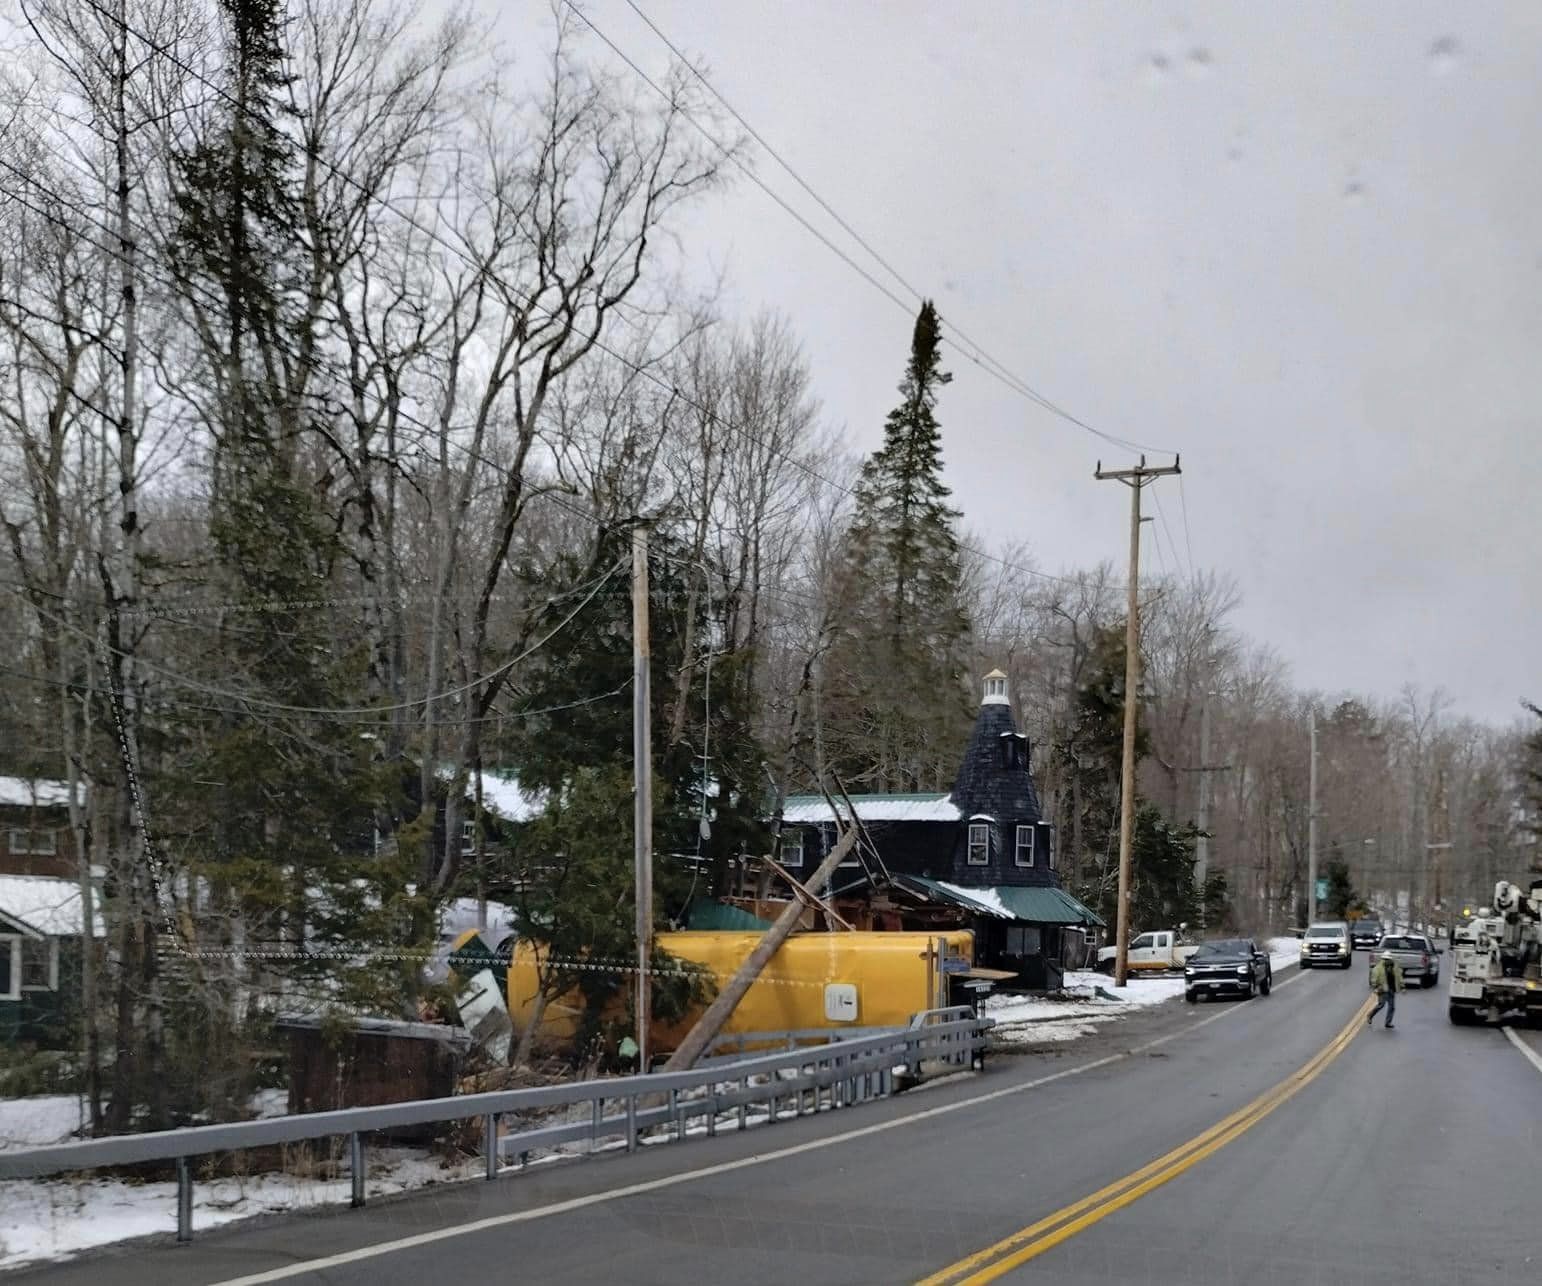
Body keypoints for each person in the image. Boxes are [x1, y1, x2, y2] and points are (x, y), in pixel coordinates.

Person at [1368, 950, 1403, 1029]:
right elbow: (1374, 978)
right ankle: (1370, 1015)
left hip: (1391, 989)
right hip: (1382, 989)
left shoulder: (1394, 967)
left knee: (1392, 1007)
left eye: (1388, 959)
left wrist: (1401, 986)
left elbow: (1399, 976)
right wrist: (1375, 986)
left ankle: (1388, 1022)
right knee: (1381, 1005)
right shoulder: (1378, 968)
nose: (1386, 961)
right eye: (1385, 959)